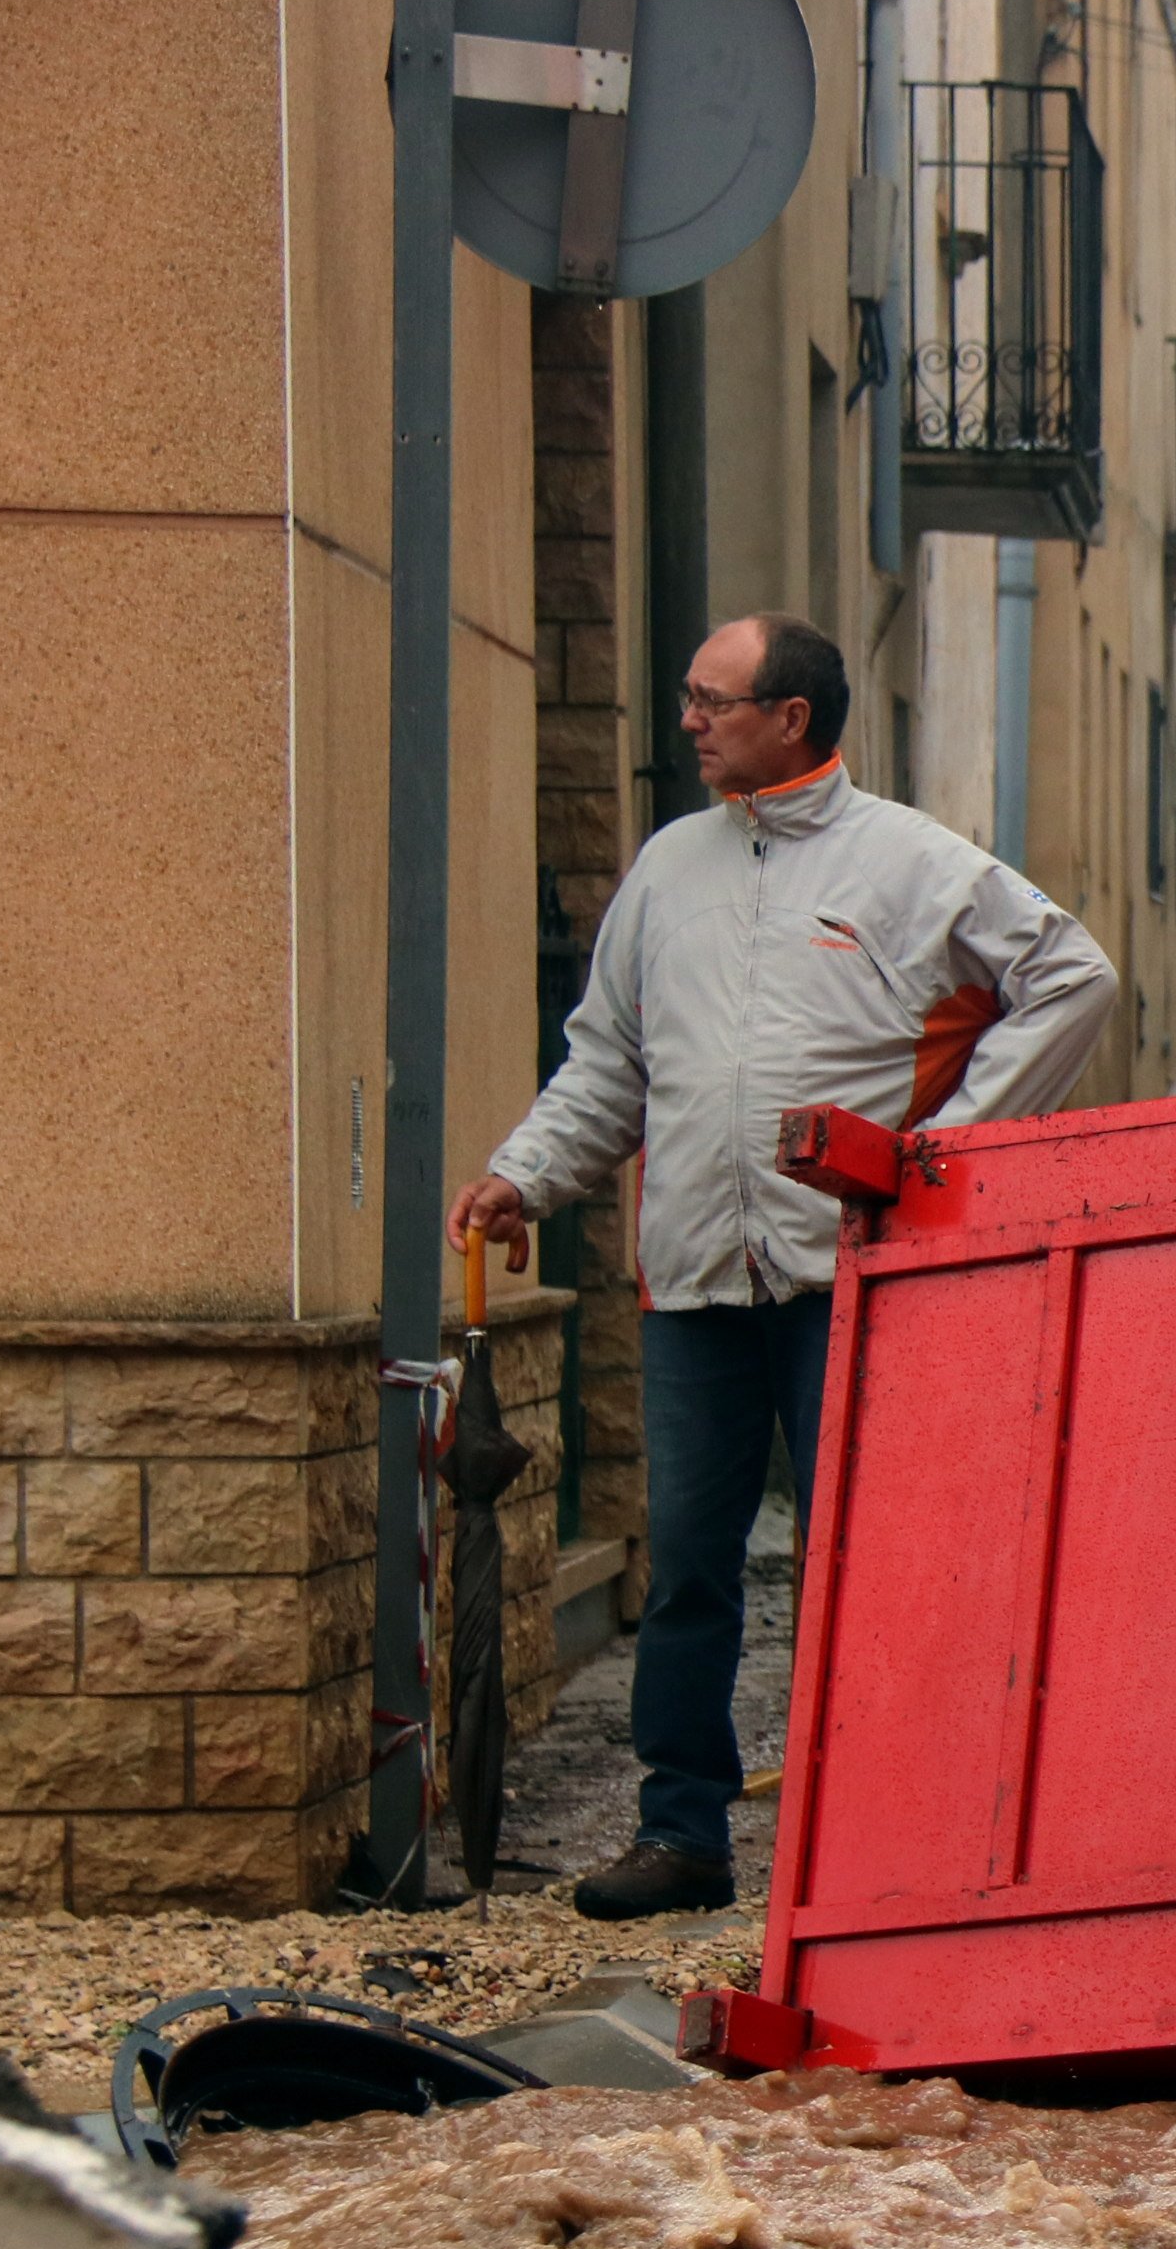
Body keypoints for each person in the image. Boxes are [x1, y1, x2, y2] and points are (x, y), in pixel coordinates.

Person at [448, 614, 1116, 1918]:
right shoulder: (666, 870)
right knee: (691, 1566)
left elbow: (1071, 977)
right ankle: (682, 1834)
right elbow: (611, 1066)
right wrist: (526, 1173)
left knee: (866, 1567)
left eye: (713, 701)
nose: (688, 720)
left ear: (791, 718)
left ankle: (876, 1844)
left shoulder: (913, 865)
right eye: (691, 698)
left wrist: (944, 1155)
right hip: (695, 1275)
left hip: (849, 1279)